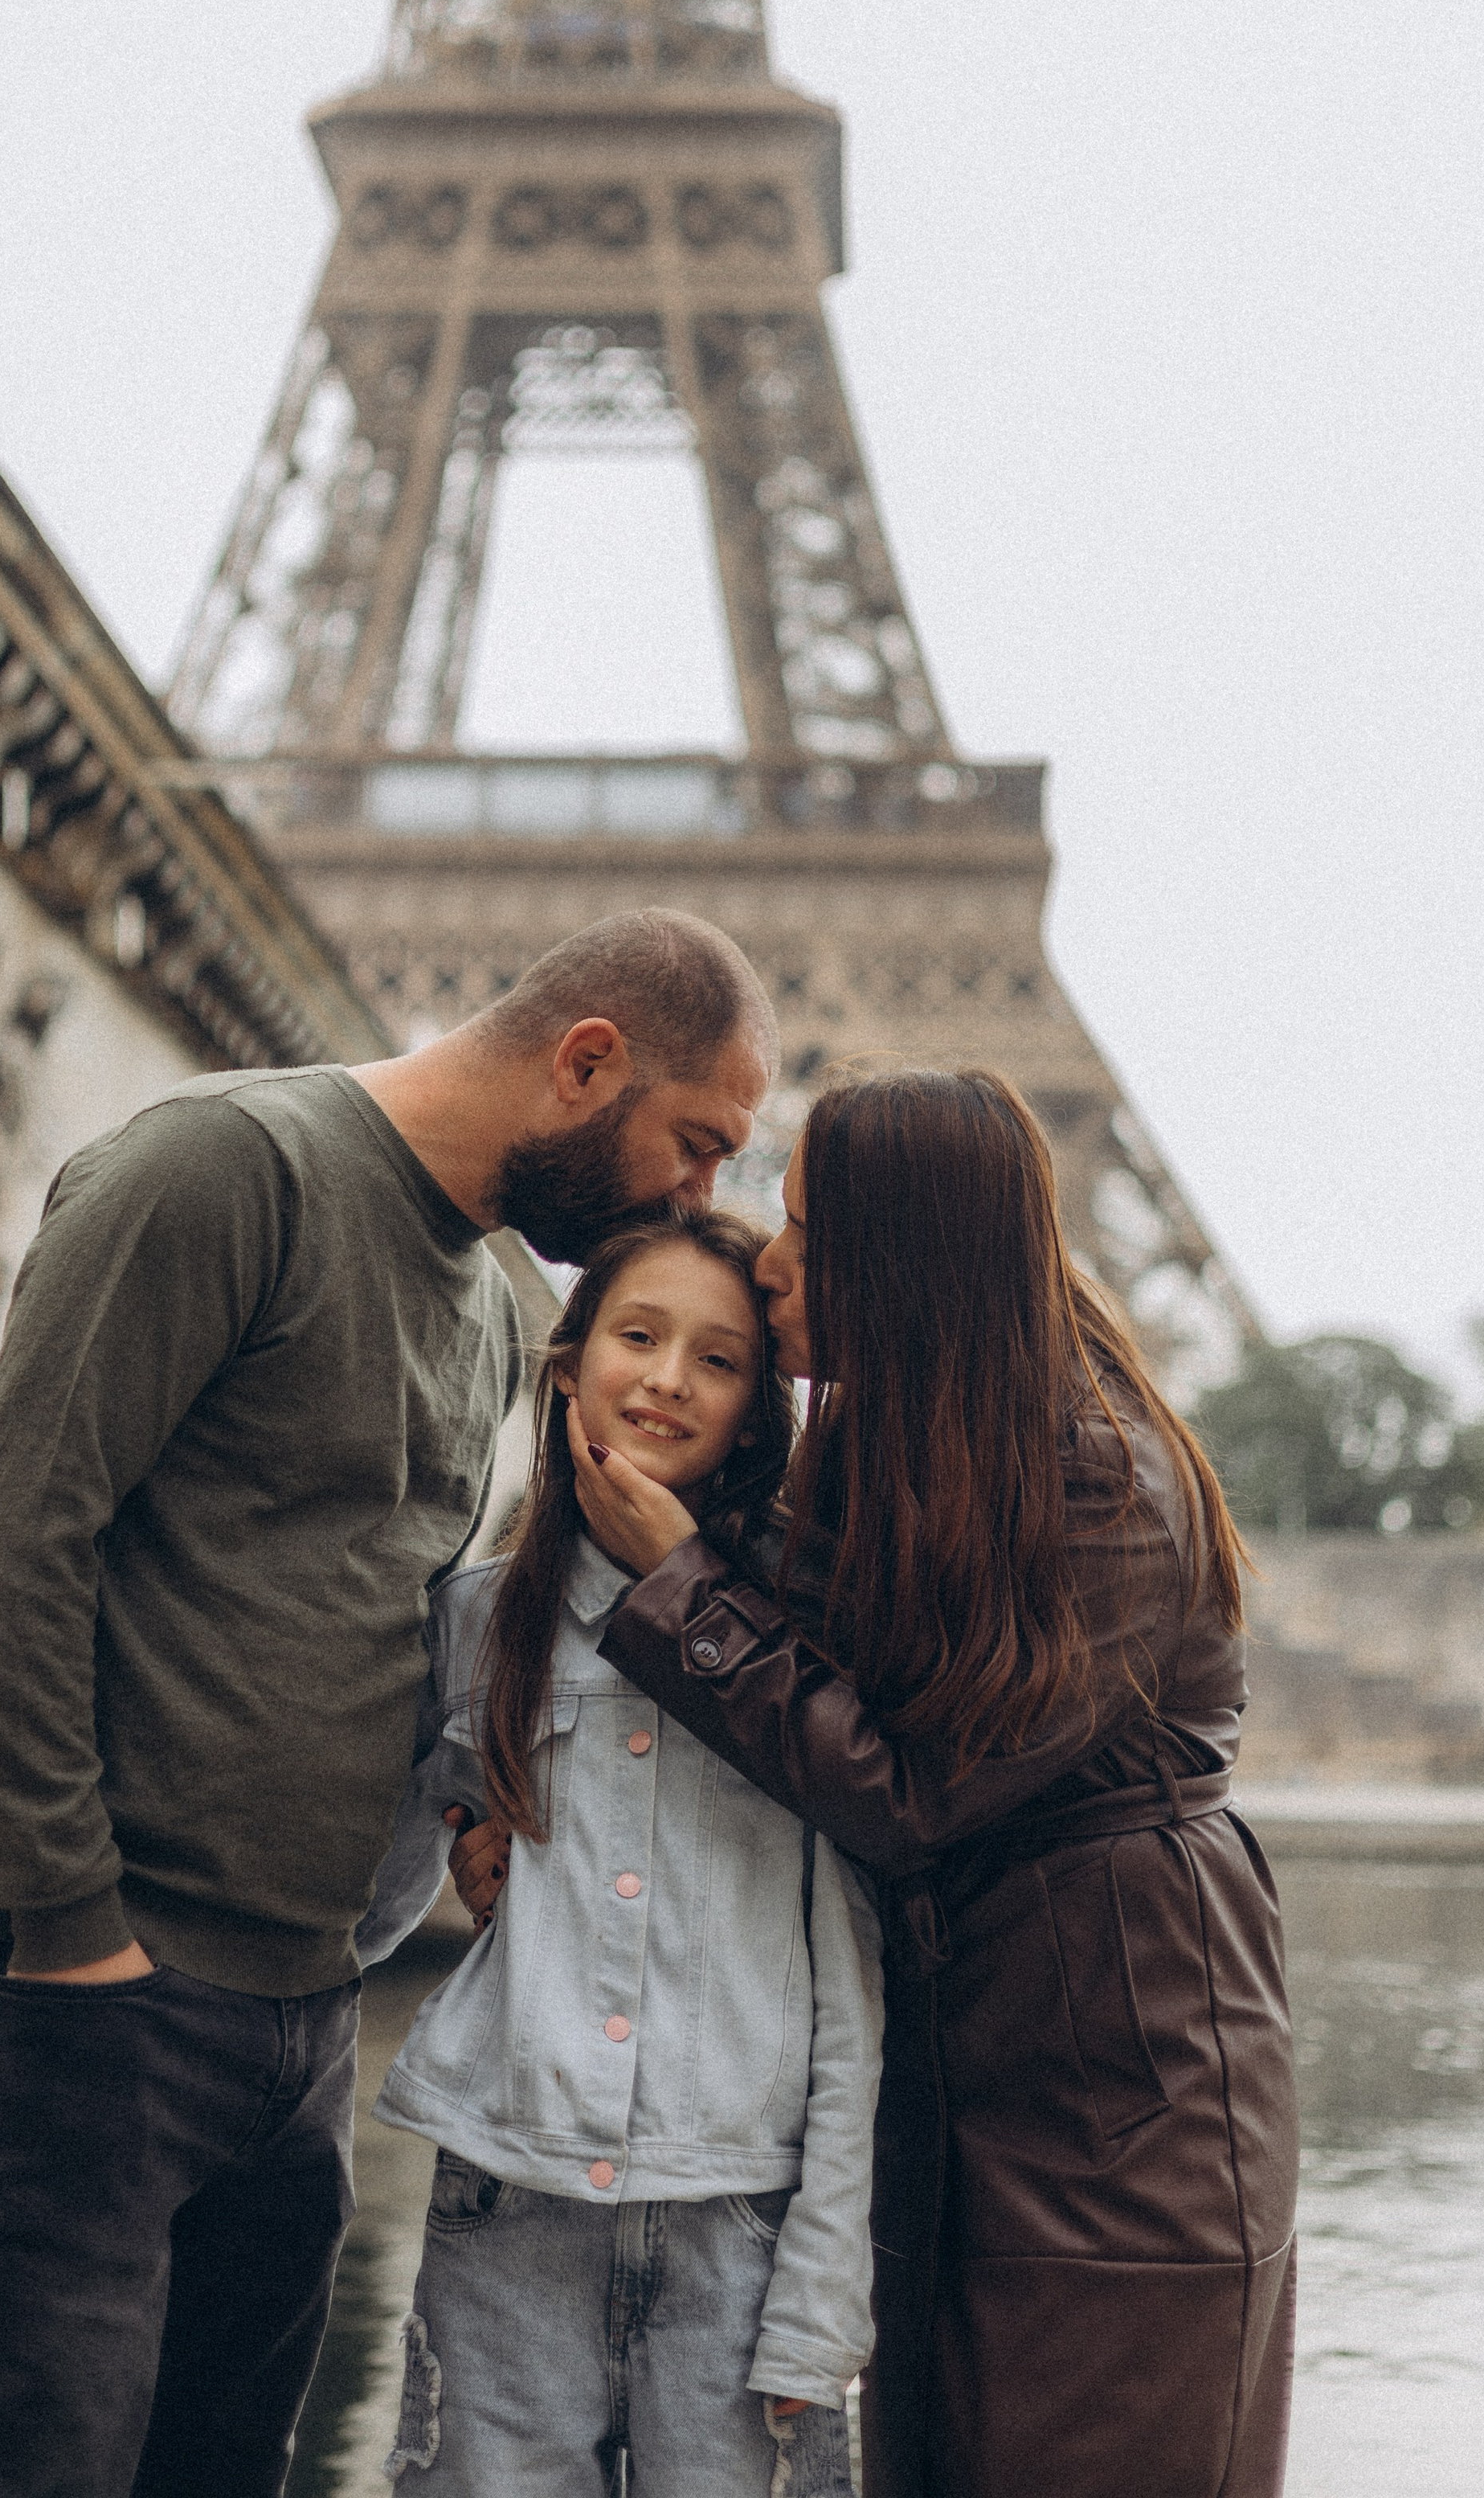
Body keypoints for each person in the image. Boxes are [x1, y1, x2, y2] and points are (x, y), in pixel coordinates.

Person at [0, 909, 776, 2498]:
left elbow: (384, 1626)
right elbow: (13, 1534)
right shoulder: (224, 1170)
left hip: (296, 2016)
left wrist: (474, 1819)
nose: (698, 1197)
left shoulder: (489, 1305)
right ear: (585, 1063)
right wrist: (70, 1930)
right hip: (76, 1987)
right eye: (695, 1143)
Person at [459, 1065, 1298, 2498]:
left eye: (807, 1229)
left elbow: (906, 1790)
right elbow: (796, 1699)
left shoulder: (1107, 1484)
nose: (772, 1263)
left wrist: (678, 1583)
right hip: (959, 2077)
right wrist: (505, 1814)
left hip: (1119, 2111)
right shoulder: (904, 1434)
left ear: (910, 1258)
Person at [354, 1210, 884, 2498]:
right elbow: (373, 1907)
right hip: (505, 2213)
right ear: (566, 1365)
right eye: (638, 1336)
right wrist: (461, 1838)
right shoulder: (475, 1620)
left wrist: (824, 2297)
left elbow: (853, 1997)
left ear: (756, 1417)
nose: (668, 1379)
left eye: (720, 1359)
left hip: (743, 2230)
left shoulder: (812, 1639)